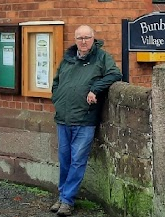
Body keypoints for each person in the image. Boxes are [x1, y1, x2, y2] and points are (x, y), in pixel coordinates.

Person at [49, 25, 121, 216]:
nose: (83, 41)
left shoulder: (101, 57)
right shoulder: (68, 59)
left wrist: (95, 88)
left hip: (84, 118)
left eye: (87, 37)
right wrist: (56, 98)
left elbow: (115, 74)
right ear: (75, 39)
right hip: (63, 118)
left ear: (93, 38)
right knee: (65, 160)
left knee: (78, 161)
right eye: (80, 38)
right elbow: (56, 82)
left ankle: (67, 200)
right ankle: (62, 195)